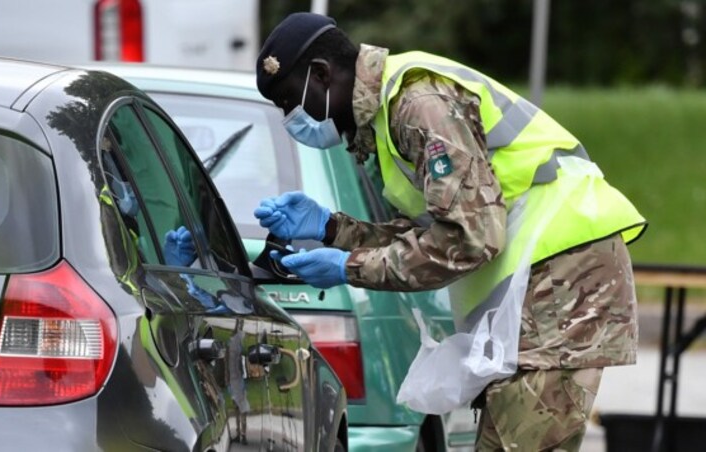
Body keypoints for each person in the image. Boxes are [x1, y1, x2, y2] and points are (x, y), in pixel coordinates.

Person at [252, 12, 647, 451]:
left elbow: (469, 238)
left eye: (290, 102)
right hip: (537, 291)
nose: (291, 119)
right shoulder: (387, 117)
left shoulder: (419, 105)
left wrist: (351, 267)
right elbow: (435, 231)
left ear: (322, 75)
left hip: (565, 286)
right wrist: (331, 229)